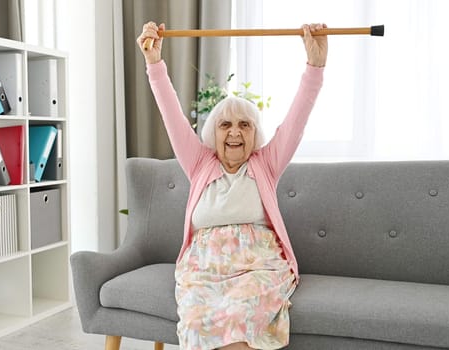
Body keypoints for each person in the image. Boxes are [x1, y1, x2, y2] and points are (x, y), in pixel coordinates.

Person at [137, 21, 328, 350]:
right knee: (196, 326)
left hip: (258, 267)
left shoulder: (265, 165)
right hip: (203, 268)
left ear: (255, 134)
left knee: (240, 324)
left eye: (245, 125)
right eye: (226, 125)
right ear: (214, 133)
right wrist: (154, 64)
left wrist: (315, 66)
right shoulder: (199, 164)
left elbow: (298, 117)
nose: (235, 132)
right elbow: (171, 114)